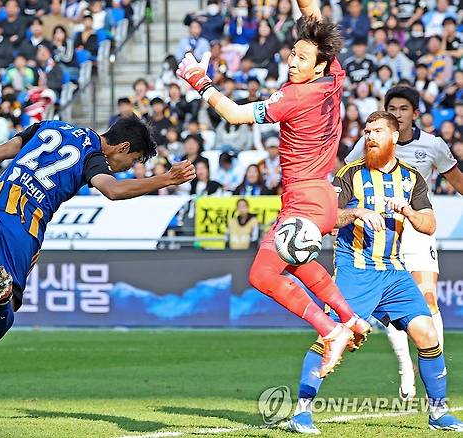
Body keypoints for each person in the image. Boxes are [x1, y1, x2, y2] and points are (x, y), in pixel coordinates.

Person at [175, 0, 369, 377]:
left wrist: (198, 80)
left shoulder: (294, 97)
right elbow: (312, 13)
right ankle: (351, 319)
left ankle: (331, 330)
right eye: (293, 54)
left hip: (304, 202)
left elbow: (232, 114)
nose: (293, 62)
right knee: (298, 263)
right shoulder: (334, 77)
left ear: (319, 64)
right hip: (322, 198)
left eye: (301, 58)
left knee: (262, 275)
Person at [0, 118, 195, 343]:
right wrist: (167, 178)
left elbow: (0, 151)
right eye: (133, 160)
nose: (127, 167)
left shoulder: (49, 126)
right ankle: (1, 296)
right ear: (123, 147)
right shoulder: (94, 156)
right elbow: (113, 190)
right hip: (24, 231)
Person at [288, 111, 463, 434]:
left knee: (427, 333)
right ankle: (301, 411)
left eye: (378, 131)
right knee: (334, 338)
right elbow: (329, 219)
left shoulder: (411, 178)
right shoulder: (350, 174)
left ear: (394, 137)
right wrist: (356, 212)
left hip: (394, 271)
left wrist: (408, 211)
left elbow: (429, 225)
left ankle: (438, 413)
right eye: (368, 131)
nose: (370, 136)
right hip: (356, 269)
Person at [345, 86, 463, 401]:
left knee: (427, 298)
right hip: (379, 233)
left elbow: (458, 182)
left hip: (416, 228)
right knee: (392, 309)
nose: (398, 113)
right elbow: (344, 175)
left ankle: (434, 361)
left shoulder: (433, 146)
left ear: (414, 113)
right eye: (392, 109)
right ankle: (405, 366)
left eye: (403, 109)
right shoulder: (368, 142)